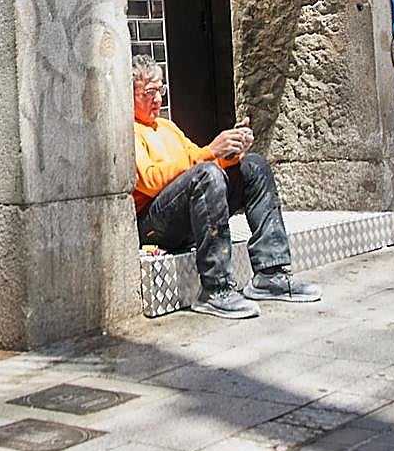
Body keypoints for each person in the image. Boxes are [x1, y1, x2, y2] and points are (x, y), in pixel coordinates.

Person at [131, 55, 320, 319]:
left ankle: (271, 272)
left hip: (188, 212)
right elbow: (149, 181)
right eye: (149, 92)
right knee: (206, 174)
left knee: (254, 166)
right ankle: (216, 289)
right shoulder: (129, 131)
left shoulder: (166, 126)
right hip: (154, 225)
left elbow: (198, 159)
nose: (158, 100)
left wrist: (230, 152)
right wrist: (211, 153)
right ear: (129, 95)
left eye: (160, 90)